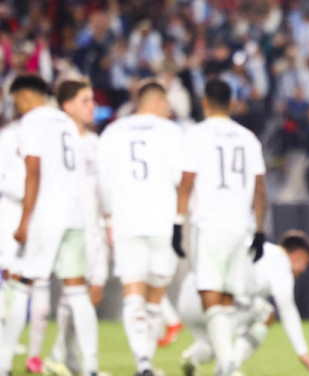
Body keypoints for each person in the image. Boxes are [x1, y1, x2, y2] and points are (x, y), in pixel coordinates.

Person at [0, 74, 101, 376]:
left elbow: (33, 170)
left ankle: (3, 364)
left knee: (21, 285)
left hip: (46, 215)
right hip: (74, 214)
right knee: (77, 291)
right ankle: (92, 366)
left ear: (26, 96)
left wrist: (25, 219)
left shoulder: (32, 122)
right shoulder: (66, 122)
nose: (16, 106)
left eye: (16, 100)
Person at [173, 78, 268, 376]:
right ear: (232, 103)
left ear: (204, 102)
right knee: (227, 298)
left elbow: (186, 181)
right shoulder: (248, 137)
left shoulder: (196, 134)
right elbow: (260, 188)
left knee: (211, 293)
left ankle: (227, 365)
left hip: (209, 222)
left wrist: (177, 223)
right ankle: (226, 364)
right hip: (241, 224)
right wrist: (260, 229)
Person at [97, 80, 183, 376]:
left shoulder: (113, 131)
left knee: (132, 292)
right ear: (157, 101)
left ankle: (142, 362)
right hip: (163, 220)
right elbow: (183, 179)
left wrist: (108, 216)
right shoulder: (171, 132)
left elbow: (103, 180)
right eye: (168, 104)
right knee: (155, 296)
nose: (170, 110)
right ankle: (146, 360)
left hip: (126, 218)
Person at [177, 230, 309, 375]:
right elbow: (288, 310)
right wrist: (303, 353)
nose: (304, 269)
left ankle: (191, 357)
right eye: (305, 262)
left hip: (189, 296)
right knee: (266, 314)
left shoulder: (261, 248)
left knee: (212, 346)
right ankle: (229, 368)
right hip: (215, 299)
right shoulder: (280, 262)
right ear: (298, 255)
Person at [44, 79, 110, 376]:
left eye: (92, 100)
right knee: (76, 292)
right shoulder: (55, 139)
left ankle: (61, 355)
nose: (92, 106)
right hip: (70, 224)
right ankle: (74, 361)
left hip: (95, 226)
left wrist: (109, 220)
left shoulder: (97, 143)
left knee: (91, 293)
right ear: (67, 106)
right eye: (85, 100)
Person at [0, 114, 25, 358]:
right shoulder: (7, 136)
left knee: (15, 279)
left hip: (21, 213)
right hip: (8, 213)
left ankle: (7, 342)